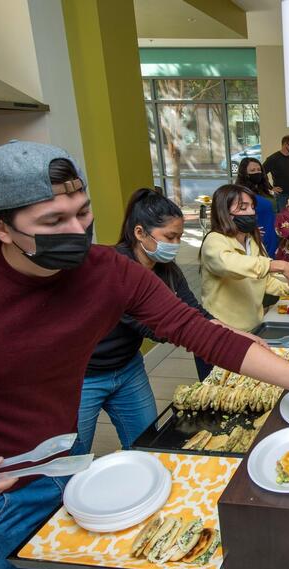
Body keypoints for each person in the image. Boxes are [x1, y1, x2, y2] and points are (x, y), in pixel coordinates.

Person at [0, 141, 289, 569]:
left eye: (83, 211)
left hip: (66, 469)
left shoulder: (108, 272)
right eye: (54, 221)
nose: (77, 231)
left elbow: (198, 330)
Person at [78, 188, 219, 455]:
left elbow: (193, 310)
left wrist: (237, 335)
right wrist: (204, 334)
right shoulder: (116, 269)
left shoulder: (167, 269)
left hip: (128, 367)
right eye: (170, 237)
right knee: (73, 455)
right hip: (85, 376)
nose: (176, 244)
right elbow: (153, 327)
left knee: (147, 444)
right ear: (140, 232)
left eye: (178, 237)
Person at [201, 184, 289, 332]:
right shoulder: (214, 240)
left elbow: (264, 281)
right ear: (223, 212)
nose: (251, 212)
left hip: (253, 326)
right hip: (221, 331)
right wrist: (280, 265)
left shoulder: (252, 241)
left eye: (252, 207)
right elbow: (229, 264)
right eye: (243, 208)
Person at [235, 157, 279, 257]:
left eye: (259, 170)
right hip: (256, 238)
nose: (257, 172)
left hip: (272, 235)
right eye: (252, 170)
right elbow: (233, 217)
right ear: (244, 173)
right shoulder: (240, 193)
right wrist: (249, 231)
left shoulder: (263, 189)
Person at [263, 135, 289, 212]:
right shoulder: (273, 158)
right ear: (285, 144)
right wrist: (270, 187)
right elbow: (262, 173)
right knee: (282, 218)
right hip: (281, 196)